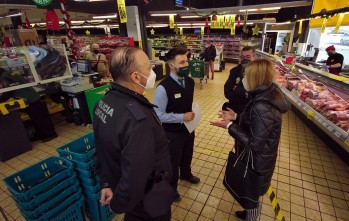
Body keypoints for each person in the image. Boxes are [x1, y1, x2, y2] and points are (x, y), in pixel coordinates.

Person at [93, 47, 173, 221]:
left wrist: (106, 182)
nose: (152, 71)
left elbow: (102, 149)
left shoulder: (103, 103)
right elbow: (136, 174)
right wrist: (118, 204)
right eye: (148, 68)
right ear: (136, 77)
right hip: (149, 198)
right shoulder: (138, 120)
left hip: (120, 186)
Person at [211, 59, 290, 221]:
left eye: (246, 75)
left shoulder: (262, 105)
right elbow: (258, 124)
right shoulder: (265, 95)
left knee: (252, 193)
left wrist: (229, 126)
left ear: (256, 78)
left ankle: (251, 217)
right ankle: (248, 212)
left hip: (258, 161)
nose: (244, 79)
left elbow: (254, 143)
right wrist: (236, 116)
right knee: (251, 191)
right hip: (260, 158)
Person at [154, 47, 200, 203]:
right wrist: (182, 117)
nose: (186, 64)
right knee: (172, 163)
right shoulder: (162, 88)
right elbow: (158, 115)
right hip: (172, 133)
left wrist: (193, 114)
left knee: (188, 153)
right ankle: (171, 189)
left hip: (189, 128)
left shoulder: (190, 81)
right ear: (171, 66)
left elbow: (187, 102)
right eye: (182, 62)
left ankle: (186, 174)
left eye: (187, 60)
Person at [0, 68, 58, 142]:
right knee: (38, 118)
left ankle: (50, 134)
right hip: (32, 96)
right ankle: (41, 134)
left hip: (29, 99)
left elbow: (7, 91)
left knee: (40, 119)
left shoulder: (5, 77)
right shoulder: (10, 73)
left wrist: (1, 99)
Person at [223, 46, 256, 120]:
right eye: (242, 57)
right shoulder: (234, 71)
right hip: (234, 111)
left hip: (250, 113)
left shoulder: (258, 73)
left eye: (248, 56)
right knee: (233, 130)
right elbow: (227, 92)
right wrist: (245, 94)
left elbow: (256, 96)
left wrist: (237, 89)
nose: (245, 59)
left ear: (254, 57)